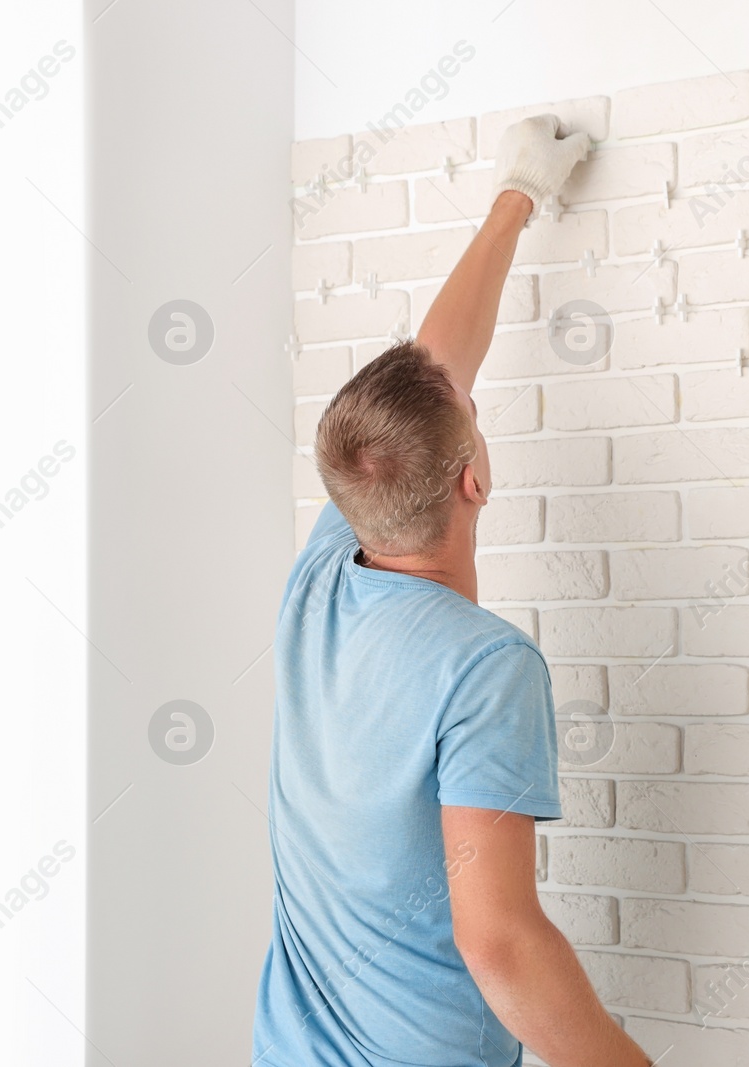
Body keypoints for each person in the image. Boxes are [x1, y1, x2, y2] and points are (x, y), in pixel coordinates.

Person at [252, 114, 653, 1067]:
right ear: (475, 479)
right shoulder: (484, 669)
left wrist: (516, 198)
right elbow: (498, 939)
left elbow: (432, 375)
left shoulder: (319, 582)